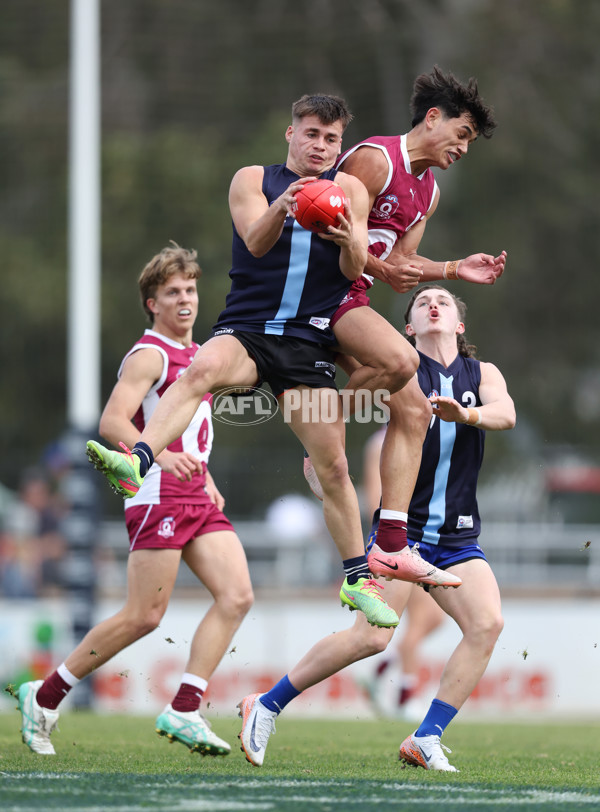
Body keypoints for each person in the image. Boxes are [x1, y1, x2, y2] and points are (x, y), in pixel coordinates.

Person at [85, 94, 448, 629]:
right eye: (311, 134)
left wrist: (350, 236)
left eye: (331, 139)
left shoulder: (349, 189)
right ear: (290, 134)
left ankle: (356, 579)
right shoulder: (252, 179)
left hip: (308, 340)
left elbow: (353, 272)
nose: (320, 146)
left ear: (340, 145)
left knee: (335, 466)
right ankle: (137, 462)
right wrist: (286, 205)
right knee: (201, 371)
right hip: (249, 327)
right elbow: (255, 244)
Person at [237, 284, 515, 771]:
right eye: (422, 302)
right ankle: (266, 704)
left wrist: (464, 413)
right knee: (370, 638)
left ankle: (426, 737)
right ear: (407, 326)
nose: (434, 305)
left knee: (487, 624)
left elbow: (506, 414)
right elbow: (341, 386)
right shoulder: (399, 367)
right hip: (400, 535)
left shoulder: (481, 373)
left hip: (455, 535)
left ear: (460, 324)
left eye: (445, 302)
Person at [17, 244, 254, 755]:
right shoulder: (151, 353)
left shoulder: (200, 354)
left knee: (237, 596)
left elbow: (192, 427)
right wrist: (162, 458)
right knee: (144, 616)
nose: (185, 299)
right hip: (158, 491)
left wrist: (204, 473)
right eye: (173, 292)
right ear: (153, 303)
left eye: (190, 289)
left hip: (196, 491)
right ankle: (45, 694)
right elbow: (112, 422)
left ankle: (186, 708)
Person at [303, 67, 505, 587]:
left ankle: (391, 544)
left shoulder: (429, 193)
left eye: (470, 143)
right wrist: (385, 270)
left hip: (353, 295)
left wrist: (455, 269)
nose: (463, 147)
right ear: (432, 118)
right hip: (318, 290)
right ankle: (325, 446)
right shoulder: (374, 159)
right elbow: (331, 232)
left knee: (415, 409)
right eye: (461, 134)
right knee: (403, 362)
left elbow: (401, 262)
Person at [362, 427, 445, 719]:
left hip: (423, 537)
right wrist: (393, 539)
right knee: (419, 621)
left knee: (432, 620)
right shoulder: (382, 441)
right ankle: (406, 697)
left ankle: (382, 671)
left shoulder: (424, 434)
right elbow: (375, 496)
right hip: (400, 542)